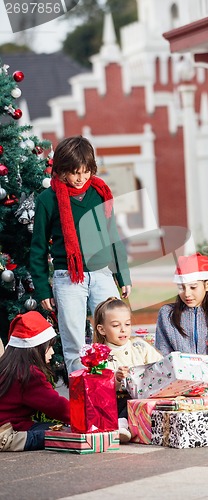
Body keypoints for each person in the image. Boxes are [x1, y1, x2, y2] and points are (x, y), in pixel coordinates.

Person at [30, 135, 132, 375]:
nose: (81, 178)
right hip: (68, 279)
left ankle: (115, 396)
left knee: (113, 337)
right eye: (75, 172)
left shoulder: (100, 193)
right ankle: (83, 401)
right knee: (75, 344)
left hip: (102, 273)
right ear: (61, 170)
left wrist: (122, 275)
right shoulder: (48, 200)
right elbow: (39, 247)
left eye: (86, 171)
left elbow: (112, 236)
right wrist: (43, 289)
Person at [155, 253, 208, 402]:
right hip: (178, 393)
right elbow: (163, 359)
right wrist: (182, 390)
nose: (187, 294)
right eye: (181, 287)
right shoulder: (167, 314)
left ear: (207, 285)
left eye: (193, 287)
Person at [93, 297, 162, 442]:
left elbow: (160, 364)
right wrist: (116, 378)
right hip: (118, 401)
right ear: (102, 329)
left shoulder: (139, 346)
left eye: (127, 324)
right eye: (116, 325)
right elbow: (98, 389)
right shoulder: (100, 354)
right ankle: (122, 423)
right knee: (128, 399)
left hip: (144, 396)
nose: (123, 329)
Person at [0, 311, 70, 451]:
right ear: (34, 349)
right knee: (65, 433)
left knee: (52, 428)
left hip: (12, 426)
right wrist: (87, 418)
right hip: (8, 434)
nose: (52, 353)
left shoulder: (6, 365)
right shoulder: (28, 374)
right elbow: (57, 406)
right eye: (48, 348)